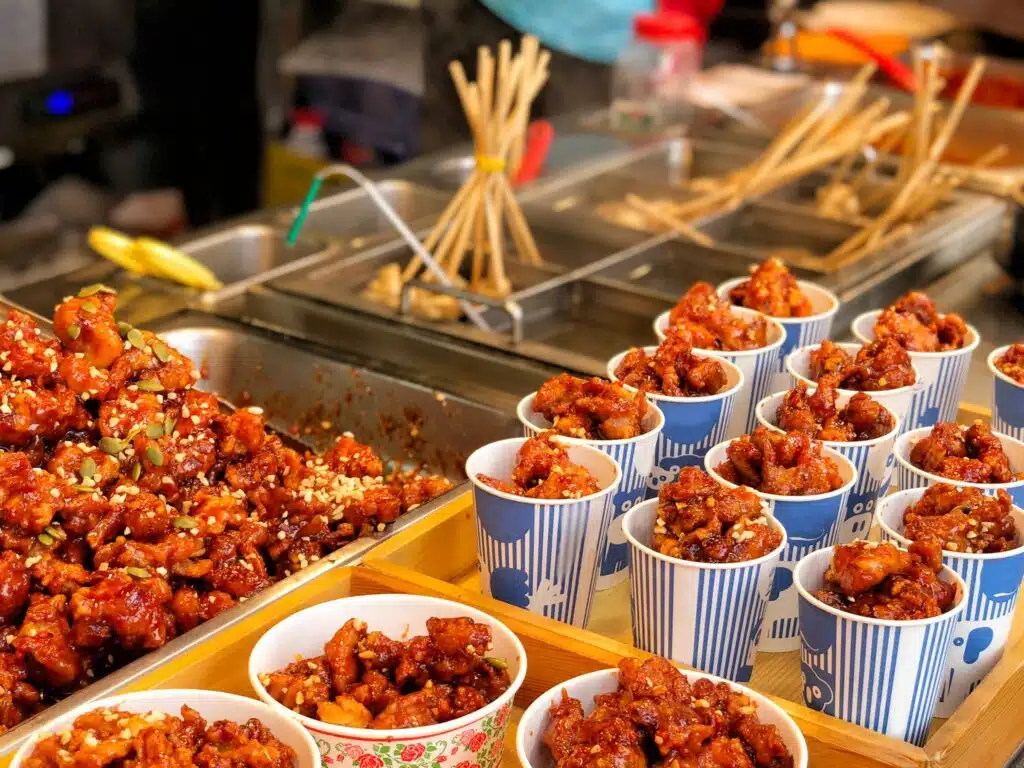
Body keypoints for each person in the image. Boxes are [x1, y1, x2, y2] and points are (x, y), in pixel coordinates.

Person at [420, 0, 724, 154]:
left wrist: (680, 22)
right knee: (461, 154)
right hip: (492, 16)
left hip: (613, 33)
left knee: (583, 164)